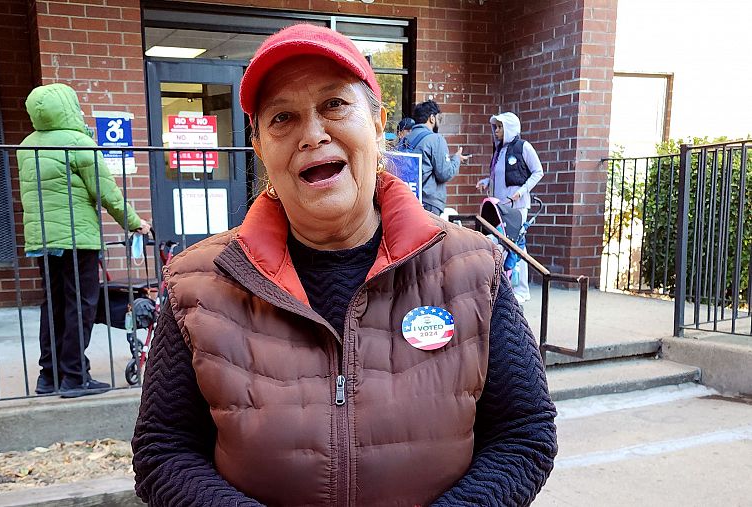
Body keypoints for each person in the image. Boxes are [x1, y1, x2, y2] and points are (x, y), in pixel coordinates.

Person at [132, 24, 555, 506]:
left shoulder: (472, 267)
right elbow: (162, 452)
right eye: (282, 117)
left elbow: (525, 434)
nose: (312, 134)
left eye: (334, 105)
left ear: (377, 123)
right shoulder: (197, 284)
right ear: (259, 148)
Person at [17, 83, 150, 398]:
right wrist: (135, 223)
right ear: (69, 108)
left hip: (42, 240)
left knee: (53, 305)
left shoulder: (27, 145)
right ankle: (75, 377)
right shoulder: (79, 143)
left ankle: (48, 377)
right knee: (81, 305)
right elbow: (107, 193)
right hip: (78, 239)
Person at [477, 112, 545, 304]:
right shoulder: (499, 150)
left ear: (510, 128)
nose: (496, 130)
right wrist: (486, 181)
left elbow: (538, 171)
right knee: (502, 245)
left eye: (500, 127)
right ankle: (505, 286)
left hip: (516, 207)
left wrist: (522, 191)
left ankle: (522, 289)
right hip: (499, 206)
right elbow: (499, 176)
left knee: (517, 245)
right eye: (495, 127)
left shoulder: (523, 147)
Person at [409, 100, 471, 215]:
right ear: (432, 118)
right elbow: (445, 173)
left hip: (407, 200)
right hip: (428, 203)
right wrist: (456, 159)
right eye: (439, 118)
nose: (439, 122)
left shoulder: (405, 139)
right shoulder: (435, 139)